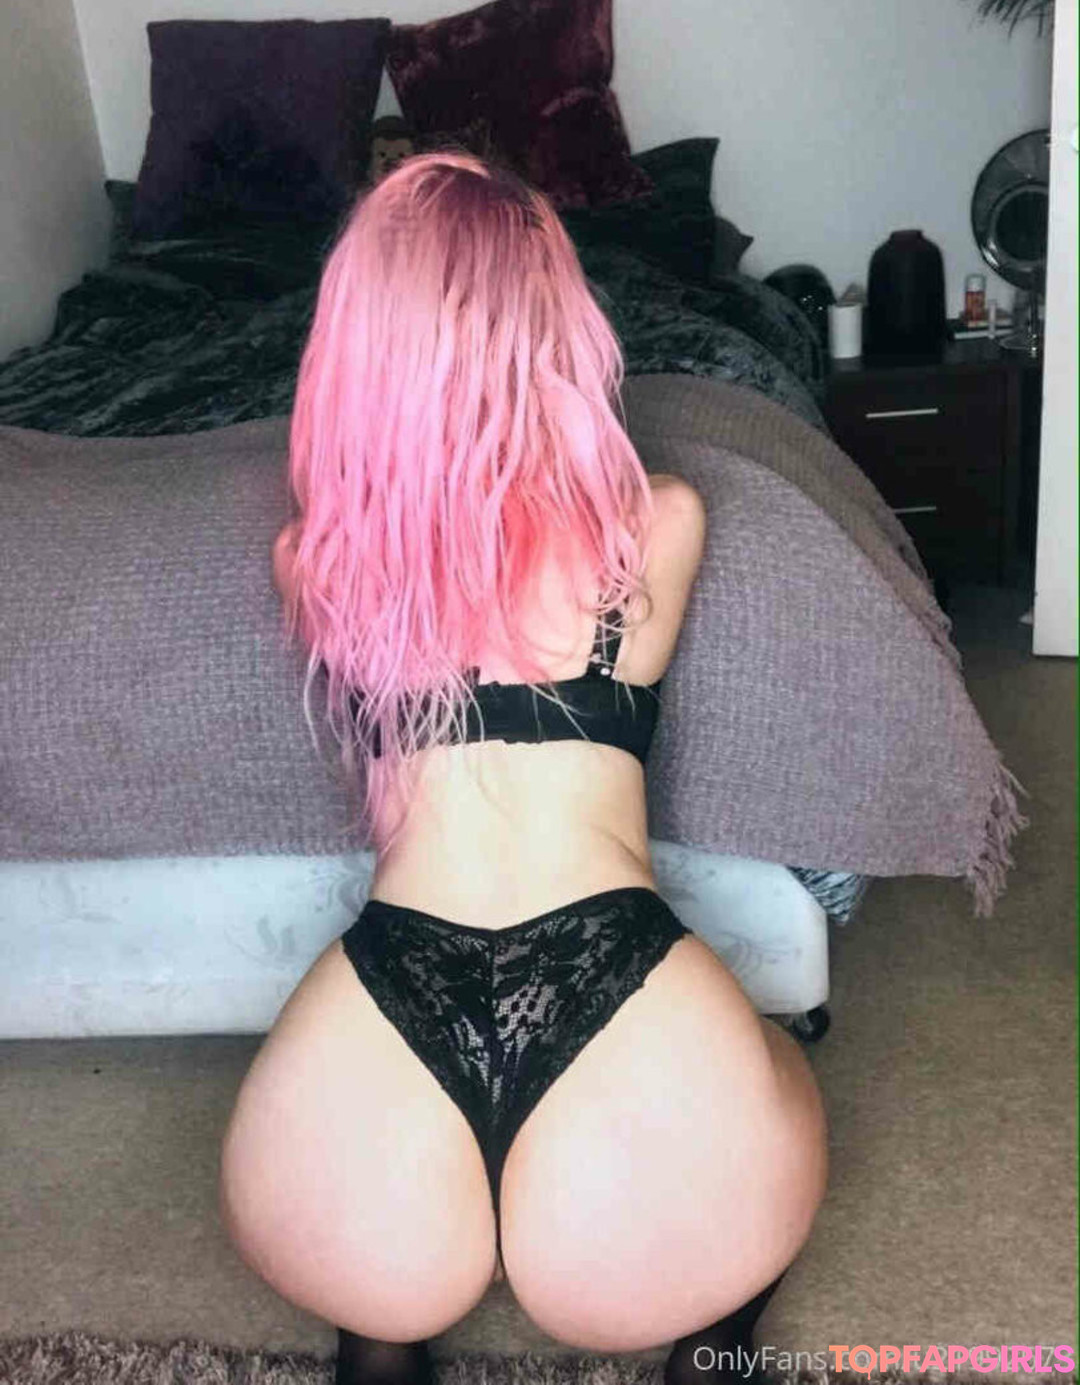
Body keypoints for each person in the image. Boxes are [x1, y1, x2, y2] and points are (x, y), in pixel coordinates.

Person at [218, 152, 828, 1385]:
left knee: (378, 1303)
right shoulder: (655, 526)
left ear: (357, 348)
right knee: (788, 1092)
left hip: (388, 986)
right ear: (561, 329)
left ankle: (390, 1306)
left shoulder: (315, 561)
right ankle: (711, 1346)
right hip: (619, 970)